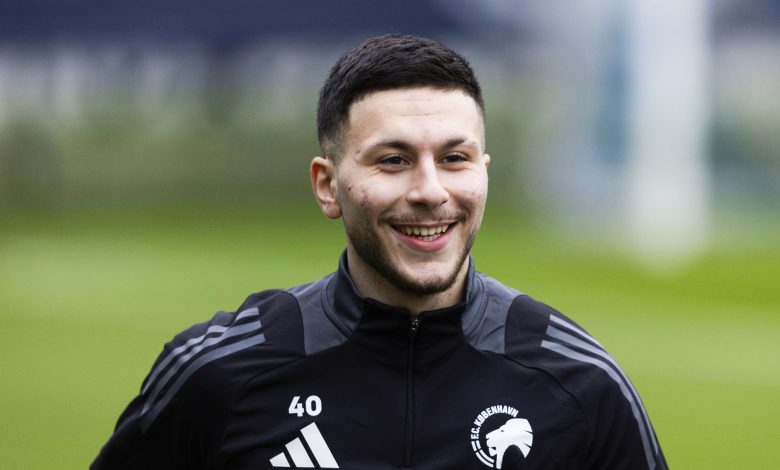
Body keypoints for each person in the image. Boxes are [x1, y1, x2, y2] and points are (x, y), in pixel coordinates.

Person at [92, 34, 667, 470]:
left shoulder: (580, 383)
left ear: (483, 173)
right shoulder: (218, 375)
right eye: (392, 160)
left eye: (455, 158)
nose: (430, 191)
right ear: (327, 185)